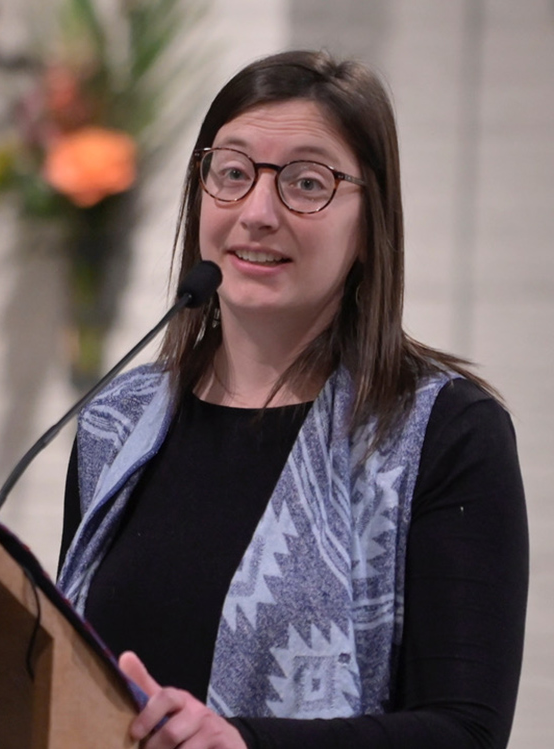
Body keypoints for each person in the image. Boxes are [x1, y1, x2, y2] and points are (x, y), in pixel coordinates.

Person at [56, 50, 528, 749]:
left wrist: (245, 742)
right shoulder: (114, 423)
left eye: (307, 183)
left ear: (371, 227)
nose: (257, 212)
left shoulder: (443, 431)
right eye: (234, 173)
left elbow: (465, 730)